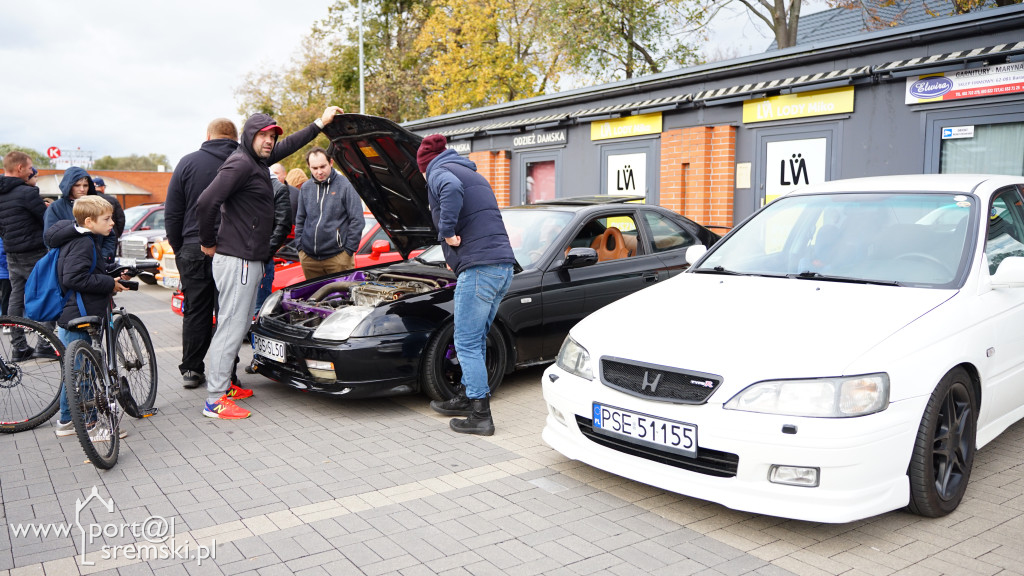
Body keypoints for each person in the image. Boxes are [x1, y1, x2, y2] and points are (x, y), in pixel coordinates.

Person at [196, 106, 344, 419]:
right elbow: (206, 201)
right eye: (263, 135)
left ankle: (222, 385)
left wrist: (320, 122)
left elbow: (289, 144)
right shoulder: (239, 163)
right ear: (250, 135)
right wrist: (208, 242)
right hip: (237, 260)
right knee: (231, 327)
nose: (269, 141)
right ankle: (215, 399)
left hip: (246, 259)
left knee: (235, 325)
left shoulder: (255, 160)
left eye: (272, 136)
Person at [418, 134, 516, 436]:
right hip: (502, 267)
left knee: (467, 342)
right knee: (477, 337)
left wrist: (446, 233)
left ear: (424, 163)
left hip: (479, 271)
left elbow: (450, 190)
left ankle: (480, 415)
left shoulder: (439, 172)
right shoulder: (472, 172)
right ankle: (465, 395)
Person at [47, 195, 130, 440]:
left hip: (75, 311)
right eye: (106, 218)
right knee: (84, 374)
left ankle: (67, 420)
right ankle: (90, 425)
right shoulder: (83, 242)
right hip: (81, 314)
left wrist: (109, 274)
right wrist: (109, 283)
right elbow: (73, 278)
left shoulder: (82, 238)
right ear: (89, 221)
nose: (112, 222)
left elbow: (84, 270)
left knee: (73, 371)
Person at [165, 118, 239, 390]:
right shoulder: (243, 161)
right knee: (228, 312)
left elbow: (173, 211)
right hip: (233, 248)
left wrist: (179, 246)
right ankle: (227, 371)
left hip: (193, 247)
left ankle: (192, 370)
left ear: (208, 135)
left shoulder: (187, 162)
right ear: (235, 136)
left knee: (196, 310)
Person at [0, 151, 51, 361]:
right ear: (20, 168)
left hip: (11, 253)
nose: (32, 171)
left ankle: (19, 347)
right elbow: (46, 221)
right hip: (34, 252)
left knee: (15, 298)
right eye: (30, 168)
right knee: (47, 295)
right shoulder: (27, 192)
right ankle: (45, 344)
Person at [294, 147, 364, 279]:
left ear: (331, 162)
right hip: (309, 259)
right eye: (314, 168)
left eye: (323, 166)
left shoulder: (346, 185)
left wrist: (348, 251)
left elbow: (357, 219)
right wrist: (300, 246)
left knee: (341, 298)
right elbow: (300, 219)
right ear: (309, 167)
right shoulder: (306, 187)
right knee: (314, 298)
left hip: (338, 258)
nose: (319, 172)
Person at [44, 169, 125, 266]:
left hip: (97, 263)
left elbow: (110, 235)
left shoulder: (95, 204)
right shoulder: (56, 208)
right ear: (69, 186)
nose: (82, 189)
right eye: (77, 185)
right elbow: (50, 239)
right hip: (69, 264)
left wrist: (103, 257)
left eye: (85, 185)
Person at [252, 166, 292, 316]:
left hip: (263, 256)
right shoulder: (247, 184)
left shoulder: (278, 189)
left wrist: (266, 251)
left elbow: (283, 225)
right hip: (246, 255)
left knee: (259, 307)